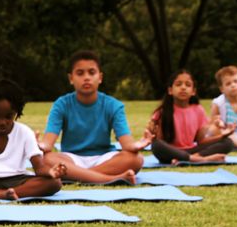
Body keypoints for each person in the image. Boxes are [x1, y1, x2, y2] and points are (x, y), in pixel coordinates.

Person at [39, 50, 153, 184]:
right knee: (47, 159)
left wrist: (136, 146)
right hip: (71, 159)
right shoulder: (61, 104)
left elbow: (127, 145)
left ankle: (81, 176)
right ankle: (110, 179)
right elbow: (48, 143)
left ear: (100, 77)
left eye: (91, 72)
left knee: (136, 159)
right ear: (71, 78)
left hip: (104, 158)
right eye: (80, 73)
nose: (86, 77)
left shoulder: (114, 105)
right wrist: (40, 145)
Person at [148, 69, 235, 164]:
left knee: (228, 142)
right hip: (172, 152)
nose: (183, 88)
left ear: (193, 91)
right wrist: (153, 133)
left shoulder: (198, 110)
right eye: (178, 84)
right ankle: (199, 159)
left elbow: (201, 141)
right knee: (156, 145)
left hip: (191, 150)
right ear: (170, 90)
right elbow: (160, 141)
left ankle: (193, 158)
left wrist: (222, 135)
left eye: (188, 85)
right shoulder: (163, 111)